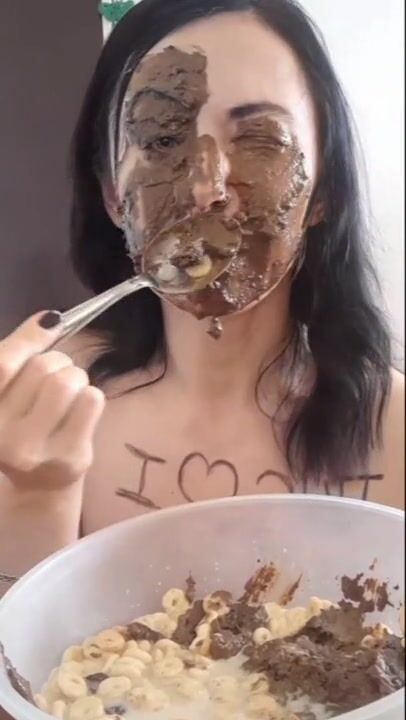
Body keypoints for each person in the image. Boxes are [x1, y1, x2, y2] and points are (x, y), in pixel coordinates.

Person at [0, 0, 404, 590]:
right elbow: (24, 641)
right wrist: (36, 496)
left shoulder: (395, 427)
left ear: (323, 192)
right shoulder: (44, 413)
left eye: (260, 139)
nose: (206, 186)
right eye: (163, 139)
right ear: (112, 195)